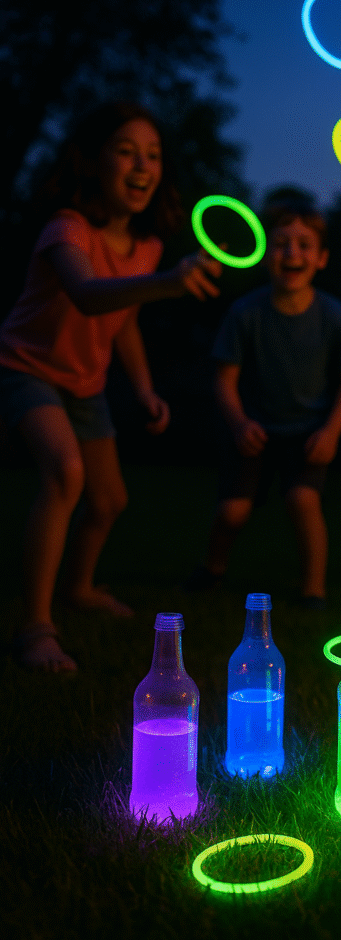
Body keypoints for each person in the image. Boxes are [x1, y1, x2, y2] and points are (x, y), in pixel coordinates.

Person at [0, 101, 222, 672]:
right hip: (26, 367)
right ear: (93, 161)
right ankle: (35, 631)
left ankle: (79, 588)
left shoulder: (146, 248)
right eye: (125, 151)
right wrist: (169, 284)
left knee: (108, 500)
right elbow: (89, 295)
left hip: (86, 385)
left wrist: (144, 388)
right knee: (64, 471)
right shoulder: (67, 229)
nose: (142, 165)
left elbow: (122, 323)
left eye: (152, 155)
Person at [185, 202, 341, 609]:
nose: (292, 254)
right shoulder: (245, 312)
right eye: (281, 244)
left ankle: (313, 591)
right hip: (255, 430)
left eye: (304, 244)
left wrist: (331, 432)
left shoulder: (333, 316)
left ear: (322, 258)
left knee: (303, 500)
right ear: (265, 254)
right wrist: (238, 424)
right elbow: (224, 379)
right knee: (232, 513)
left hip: (308, 432)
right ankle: (211, 569)